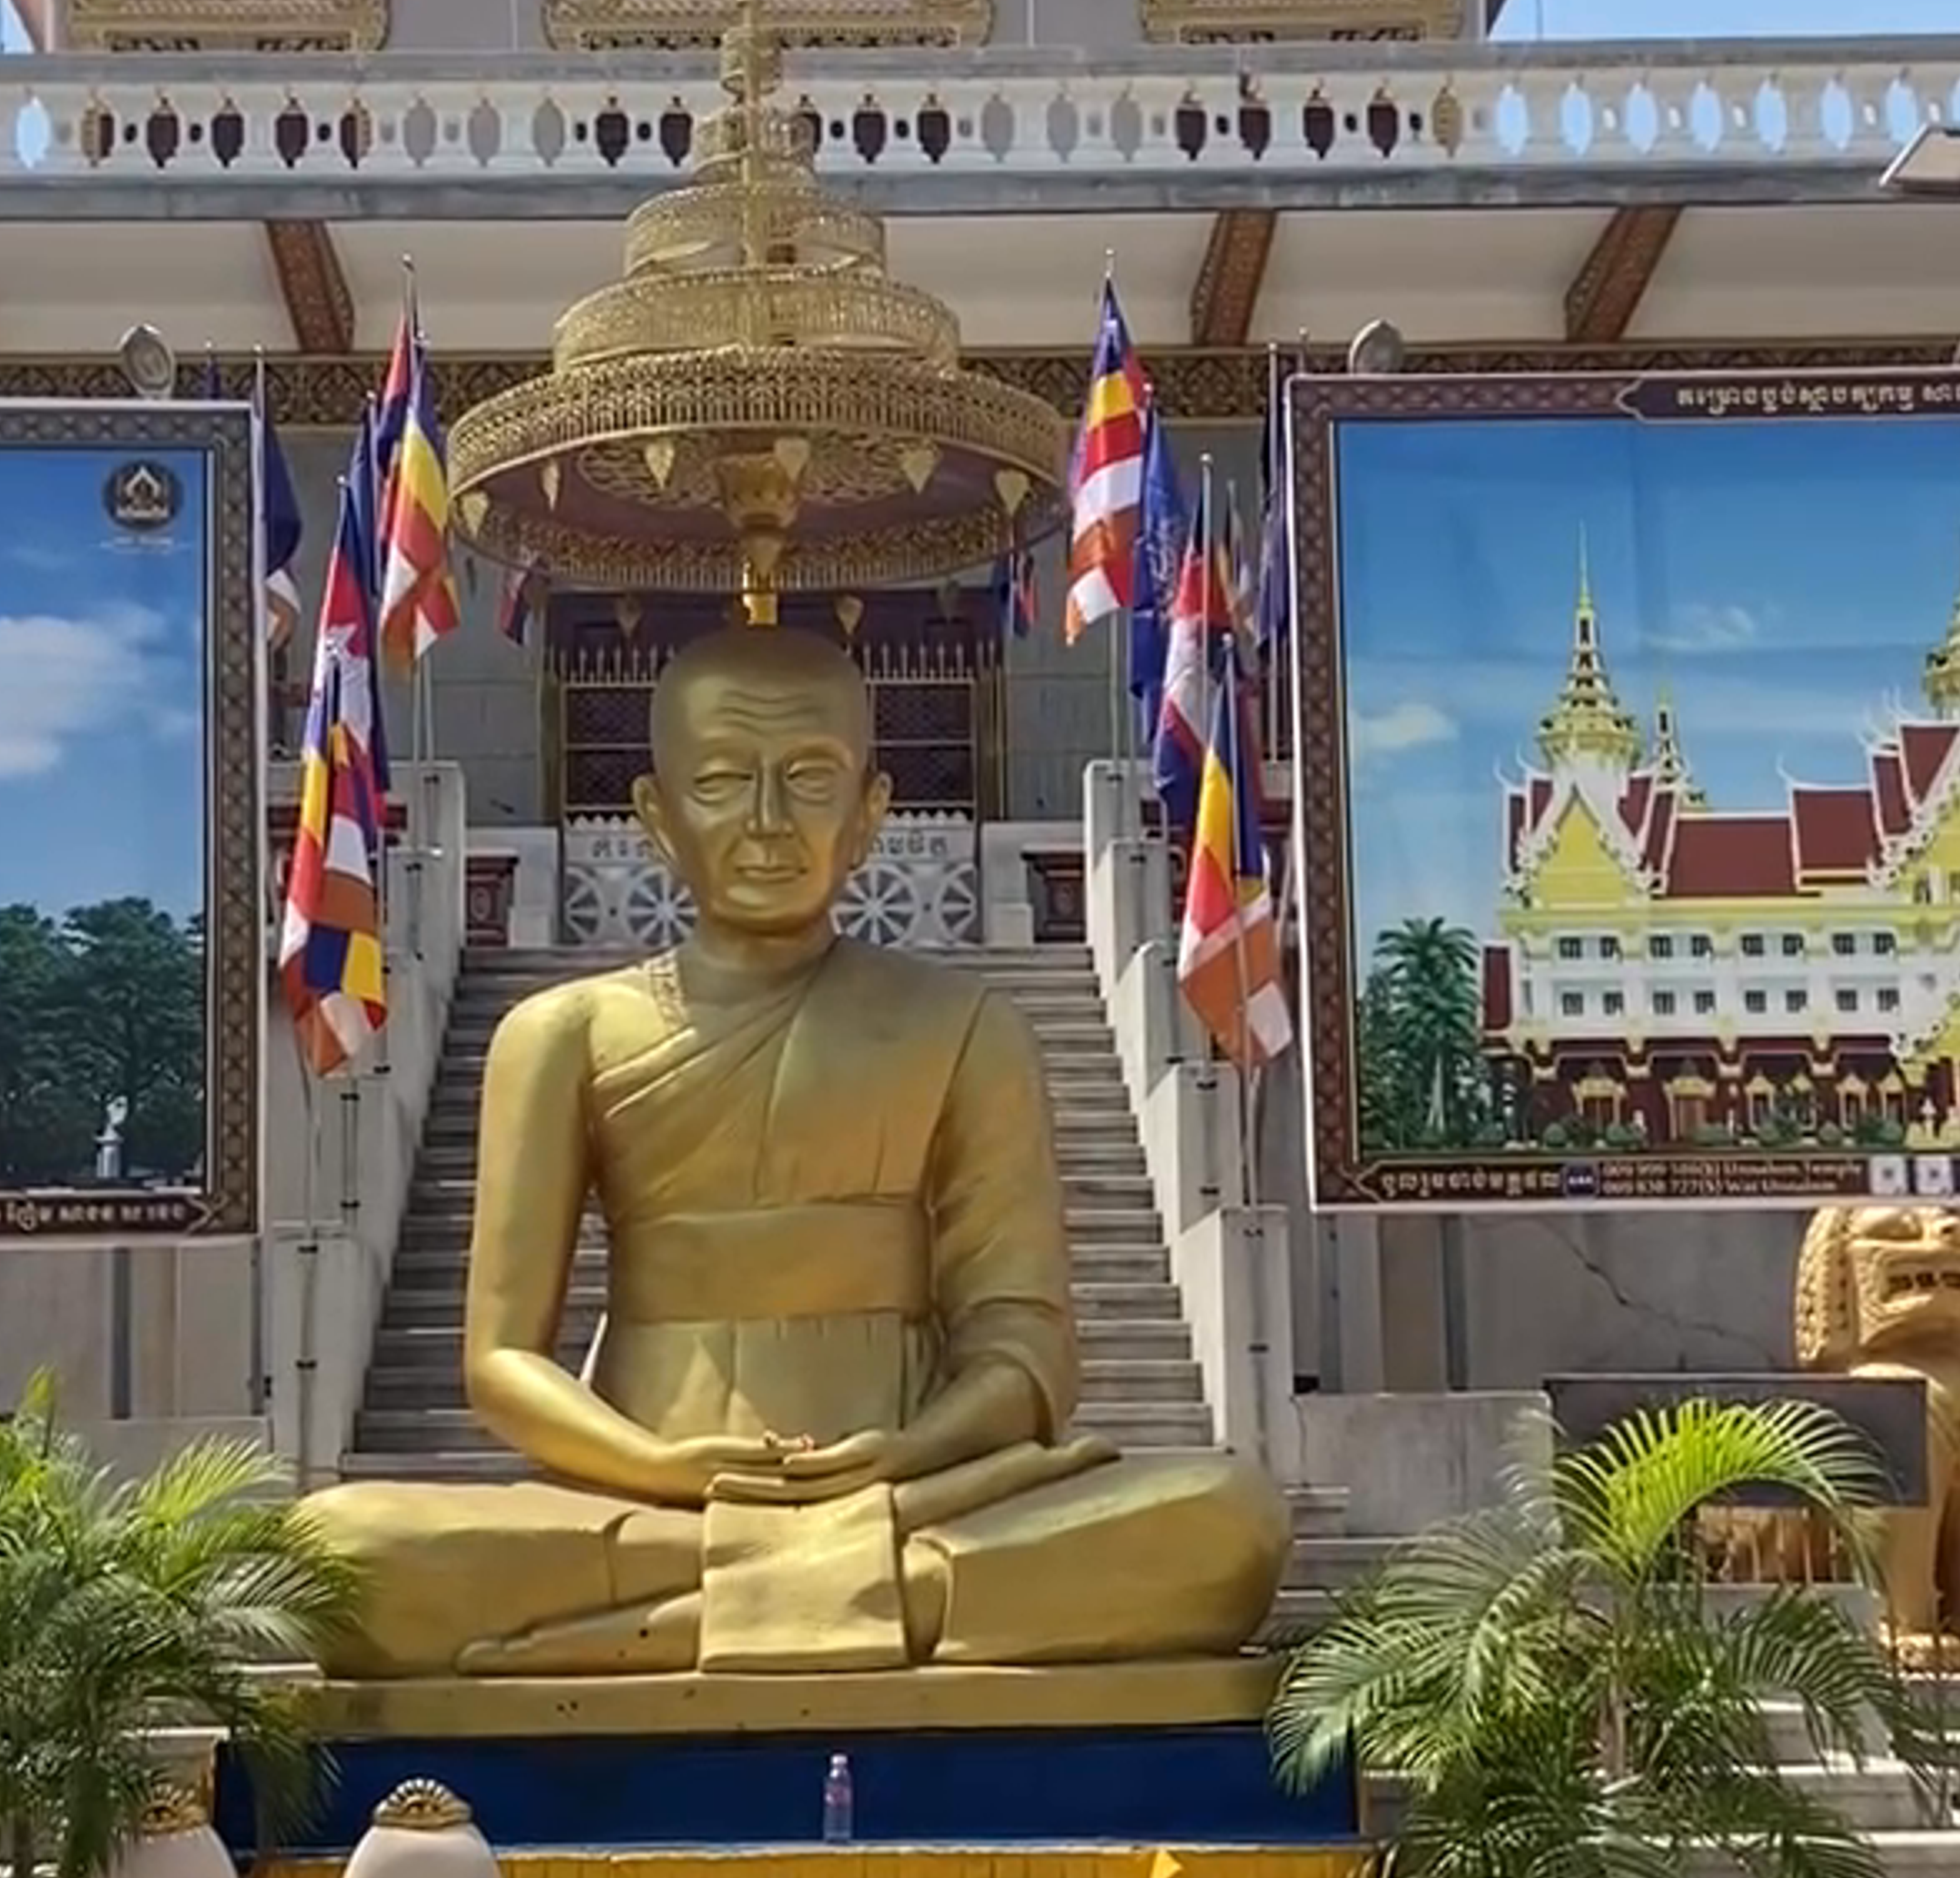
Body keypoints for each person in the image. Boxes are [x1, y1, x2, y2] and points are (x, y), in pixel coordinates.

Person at [299, 628, 1288, 1679]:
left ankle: (703, 1609)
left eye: (810, 779)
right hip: (652, 1500)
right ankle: (869, 1596)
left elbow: (1025, 1346)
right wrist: (660, 1466)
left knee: (1231, 1520)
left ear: (869, 813)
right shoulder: (562, 1035)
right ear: (656, 817)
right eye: (722, 781)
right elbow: (500, 1362)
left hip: (908, 1490)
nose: (768, 823)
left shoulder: (968, 1026)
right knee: (335, 1553)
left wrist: (908, 1456)